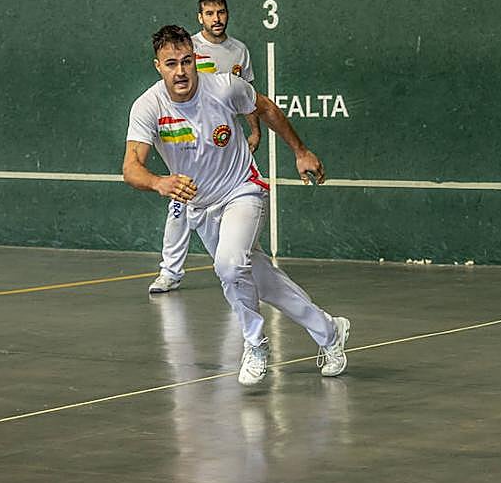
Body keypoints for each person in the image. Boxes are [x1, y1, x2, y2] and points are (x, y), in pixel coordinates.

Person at [123, 24, 349, 386]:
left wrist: (301, 151)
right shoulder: (148, 106)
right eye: (170, 64)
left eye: (186, 62)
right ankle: (330, 331)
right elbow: (131, 167)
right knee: (263, 281)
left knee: (229, 266)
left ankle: (255, 342)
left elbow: (266, 108)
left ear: (195, 60)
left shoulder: (224, 86)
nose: (180, 72)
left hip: (242, 189)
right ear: (157, 66)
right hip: (202, 209)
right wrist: (159, 182)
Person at [148, 0, 261, 294]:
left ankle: (244, 268)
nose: (216, 19)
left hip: (225, 142)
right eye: (209, 13)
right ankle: (170, 271)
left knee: (239, 210)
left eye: (221, 12)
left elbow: (249, 97)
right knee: (179, 203)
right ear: (200, 18)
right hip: (190, 140)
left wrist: (254, 131)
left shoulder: (240, 51)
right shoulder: (188, 49)